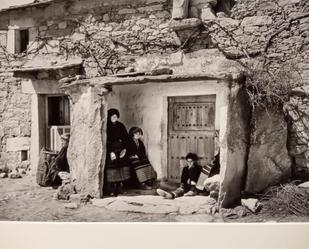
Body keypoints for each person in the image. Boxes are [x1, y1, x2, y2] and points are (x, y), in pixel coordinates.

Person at [104, 108, 131, 196]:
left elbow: (126, 138)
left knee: (121, 169)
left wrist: (125, 149)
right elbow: (106, 140)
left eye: (116, 116)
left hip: (121, 150)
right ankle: (111, 190)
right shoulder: (106, 126)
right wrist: (111, 152)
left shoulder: (120, 125)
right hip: (111, 151)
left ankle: (119, 188)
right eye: (113, 116)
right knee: (112, 170)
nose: (115, 117)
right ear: (109, 117)